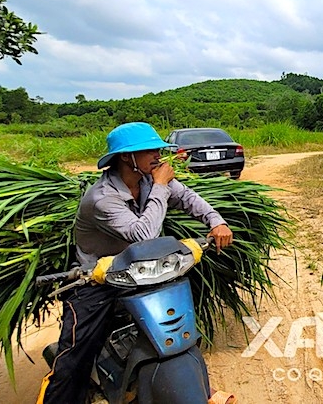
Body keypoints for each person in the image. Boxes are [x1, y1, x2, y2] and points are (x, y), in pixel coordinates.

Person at [39, 122, 234, 404]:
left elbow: (188, 198)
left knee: (178, 329)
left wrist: (217, 222)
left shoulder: (148, 180)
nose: (157, 155)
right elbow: (143, 235)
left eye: (157, 149)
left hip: (144, 274)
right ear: (125, 157)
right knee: (74, 357)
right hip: (98, 280)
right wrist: (160, 186)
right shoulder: (102, 198)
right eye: (148, 151)